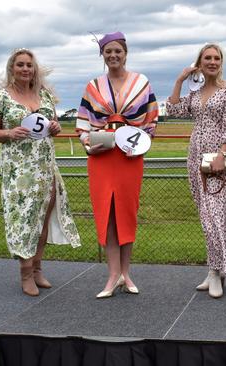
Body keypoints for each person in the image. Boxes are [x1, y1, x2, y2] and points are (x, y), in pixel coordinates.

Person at [167, 44, 226, 299]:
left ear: (222, 62)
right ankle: (217, 270)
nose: (212, 62)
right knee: (208, 217)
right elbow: (174, 110)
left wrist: (222, 154)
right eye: (207, 58)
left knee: (215, 218)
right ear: (199, 62)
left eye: (216, 58)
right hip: (195, 158)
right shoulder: (196, 91)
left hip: (218, 159)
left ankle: (215, 271)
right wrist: (180, 79)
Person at [0, 48, 81, 296]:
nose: (25, 69)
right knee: (23, 220)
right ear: (12, 68)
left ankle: (38, 269)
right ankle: (25, 272)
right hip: (18, 170)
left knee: (42, 219)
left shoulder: (45, 96)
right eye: (20, 65)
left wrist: (56, 127)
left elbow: (52, 125)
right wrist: (9, 133)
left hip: (45, 167)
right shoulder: (0, 97)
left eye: (29, 65)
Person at [76, 32, 158, 298]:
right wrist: (89, 144)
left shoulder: (141, 82)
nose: (113, 56)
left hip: (129, 158)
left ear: (125, 53)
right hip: (101, 157)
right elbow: (83, 121)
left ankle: (126, 273)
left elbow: (151, 120)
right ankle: (113, 275)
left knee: (126, 213)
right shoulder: (93, 85)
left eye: (117, 51)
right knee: (107, 214)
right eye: (108, 51)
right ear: (102, 55)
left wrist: (141, 145)